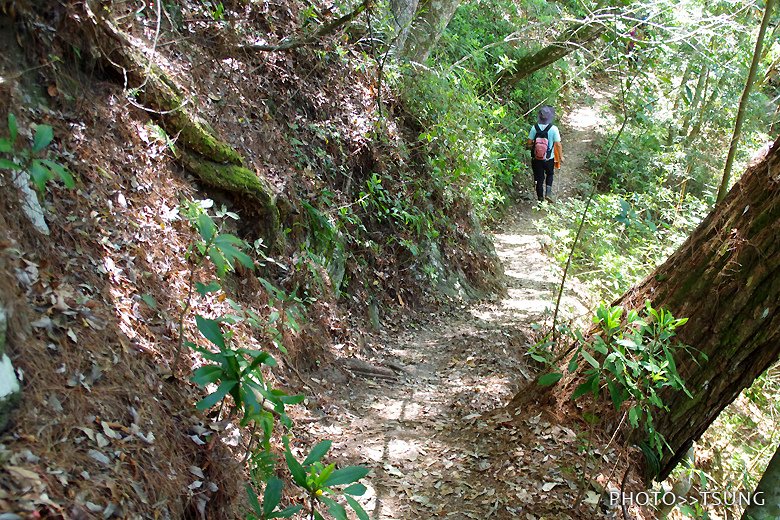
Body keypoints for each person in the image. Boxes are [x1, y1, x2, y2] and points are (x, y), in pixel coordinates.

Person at [527, 106, 562, 202]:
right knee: (550, 174)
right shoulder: (554, 129)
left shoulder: (534, 128)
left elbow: (529, 143)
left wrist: (535, 145)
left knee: (539, 178)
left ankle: (540, 200)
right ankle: (548, 193)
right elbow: (558, 145)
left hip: (536, 159)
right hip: (548, 158)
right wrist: (561, 157)